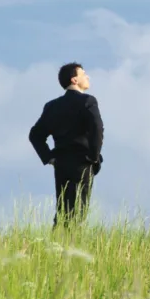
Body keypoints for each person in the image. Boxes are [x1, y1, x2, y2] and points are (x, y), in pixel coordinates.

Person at [28, 62, 105, 229]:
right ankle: (70, 243)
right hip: (82, 162)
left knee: (62, 210)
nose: (87, 76)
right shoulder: (88, 101)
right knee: (78, 211)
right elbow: (97, 129)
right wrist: (93, 157)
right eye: (83, 74)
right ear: (74, 80)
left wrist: (49, 157)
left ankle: (56, 242)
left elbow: (35, 135)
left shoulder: (52, 106)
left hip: (61, 164)